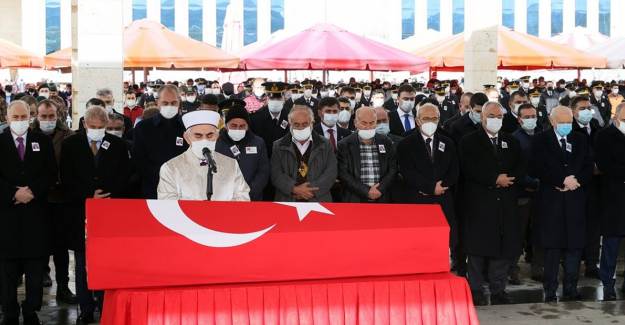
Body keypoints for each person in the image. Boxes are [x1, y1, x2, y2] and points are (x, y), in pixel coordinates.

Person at [60, 106, 130, 324]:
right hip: (80, 211)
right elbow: (66, 178)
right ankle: (86, 308)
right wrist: (89, 195)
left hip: (109, 213)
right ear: (84, 124)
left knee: (105, 262)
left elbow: (124, 176)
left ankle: (103, 303)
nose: (97, 130)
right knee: (81, 264)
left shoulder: (118, 145)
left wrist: (109, 195)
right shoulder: (70, 145)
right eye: (93, 127)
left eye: (101, 127)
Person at [460, 101, 525, 306]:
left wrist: (509, 179)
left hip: (505, 202)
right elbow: (468, 168)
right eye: (492, 116)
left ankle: (499, 289)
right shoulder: (469, 141)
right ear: (482, 117)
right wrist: (494, 179)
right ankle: (476, 289)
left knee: (502, 248)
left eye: (500, 117)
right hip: (480, 203)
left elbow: (519, 167)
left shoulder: (511, 141)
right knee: (477, 249)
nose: (496, 120)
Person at [0, 100, 57, 325]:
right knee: (7, 272)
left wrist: (33, 191)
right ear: (7, 118)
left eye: (25, 117)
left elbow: (51, 173)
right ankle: (10, 312)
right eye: (17, 118)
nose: (21, 121)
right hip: (7, 218)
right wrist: (13, 193)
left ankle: (31, 310)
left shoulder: (41, 141)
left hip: (36, 216)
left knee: (35, 271)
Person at [530, 106, 593, 303]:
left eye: (569, 122)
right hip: (552, 202)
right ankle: (550, 290)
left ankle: (571, 289)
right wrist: (561, 180)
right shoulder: (541, 140)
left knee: (574, 248)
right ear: (552, 121)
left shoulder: (580, 139)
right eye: (562, 122)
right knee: (552, 248)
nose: (566, 125)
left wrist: (576, 181)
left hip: (575, 200)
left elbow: (588, 165)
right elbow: (537, 167)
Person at [31, 100, 76, 304]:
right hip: (37, 200)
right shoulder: (31, 135)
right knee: (38, 243)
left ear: (57, 115)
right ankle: (39, 281)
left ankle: (63, 287)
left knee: (61, 247)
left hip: (61, 199)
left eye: (51, 116)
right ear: (37, 116)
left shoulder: (67, 136)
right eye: (44, 116)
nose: (48, 120)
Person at [396, 103, 459, 247]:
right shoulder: (406, 144)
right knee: (418, 242)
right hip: (417, 201)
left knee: (442, 242)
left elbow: (454, 170)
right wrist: (430, 188)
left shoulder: (447, 142)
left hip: (442, 200)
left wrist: (441, 187)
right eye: (426, 118)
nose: (430, 122)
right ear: (418, 120)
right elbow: (407, 172)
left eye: (434, 118)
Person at [157, 110, 250, 201]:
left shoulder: (231, 165)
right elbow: (167, 206)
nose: (204, 140)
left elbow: (242, 198)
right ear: (187, 138)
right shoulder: (171, 168)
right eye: (198, 136)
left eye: (210, 135)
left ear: (217, 136)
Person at [132, 84, 188, 199]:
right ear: (157, 103)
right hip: (152, 189)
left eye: (173, 103)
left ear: (179, 102)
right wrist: (161, 178)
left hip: (183, 189)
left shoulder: (188, 127)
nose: (169, 106)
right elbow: (139, 159)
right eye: (165, 103)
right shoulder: (143, 128)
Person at [271, 105, 337, 202]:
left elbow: (331, 173)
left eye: (305, 124)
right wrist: (294, 189)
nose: (301, 128)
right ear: (290, 124)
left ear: (311, 123)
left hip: (318, 200)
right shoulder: (278, 146)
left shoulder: (325, 144)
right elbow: (276, 174)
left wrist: (309, 191)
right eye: (296, 124)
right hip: (288, 200)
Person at [509, 103, 542, 285]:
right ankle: (512, 268)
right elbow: (514, 169)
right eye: (527, 117)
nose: (531, 120)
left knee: (538, 233)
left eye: (533, 116)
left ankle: (538, 267)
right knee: (518, 234)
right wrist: (530, 182)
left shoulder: (542, 136)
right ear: (519, 119)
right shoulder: (514, 139)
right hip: (521, 193)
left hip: (541, 193)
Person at [570, 95, 602, 279]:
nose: (587, 111)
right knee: (576, 224)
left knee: (593, 227)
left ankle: (591, 263)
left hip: (596, 186)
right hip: (577, 184)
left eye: (588, 107)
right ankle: (573, 265)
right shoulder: (570, 129)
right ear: (574, 111)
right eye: (582, 108)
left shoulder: (596, 127)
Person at [596, 103, 625, 300]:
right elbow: (605, 164)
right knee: (611, 244)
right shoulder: (604, 136)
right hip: (613, 198)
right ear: (616, 117)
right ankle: (608, 283)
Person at [337, 106, 396, 203]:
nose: (368, 127)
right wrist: (366, 191)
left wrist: (379, 189)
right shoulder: (344, 144)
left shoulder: (386, 142)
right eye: (364, 123)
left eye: (372, 123)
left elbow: (393, 169)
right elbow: (343, 174)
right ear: (355, 123)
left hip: (382, 198)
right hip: (355, 199)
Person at [215, 99, 269, 201]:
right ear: (226, 125)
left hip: (252, 198)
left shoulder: (258, 143)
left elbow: (263, 172)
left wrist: (247, 193)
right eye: (233, 126)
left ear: (248, 126)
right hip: (224, 199)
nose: (238, 129)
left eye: (242, 126)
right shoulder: (216, 142)